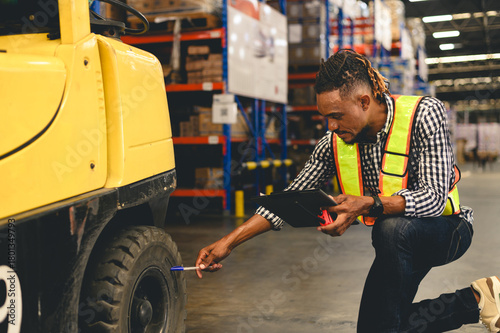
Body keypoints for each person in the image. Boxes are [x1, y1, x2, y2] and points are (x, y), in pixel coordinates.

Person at [195, 49, 500, 332]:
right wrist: (229, 242)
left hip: (447, 230)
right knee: (379, 327)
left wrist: (366, 204)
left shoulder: (423, 114)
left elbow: (433, 198)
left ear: (364, 101)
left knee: (390, 229)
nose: (330, 126)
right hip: (393, 243)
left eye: (337, 115)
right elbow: (290, 198)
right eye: (325, 116)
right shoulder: (335, 142)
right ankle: (478, 300)